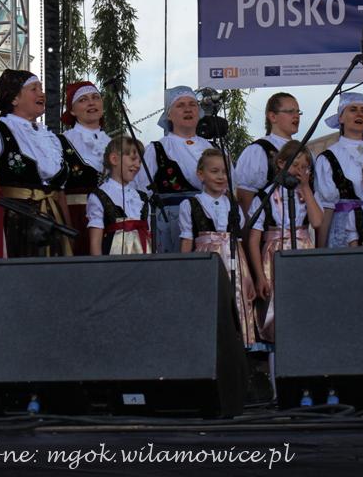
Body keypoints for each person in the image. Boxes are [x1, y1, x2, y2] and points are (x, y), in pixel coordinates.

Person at [0, 69, 72, 257]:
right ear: (14, 99)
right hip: (17, 222)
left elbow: (60, 192)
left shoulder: (50, 138)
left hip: (53, 221)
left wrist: (68, 227)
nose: (42, 94)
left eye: (41, 88)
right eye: (34, 89)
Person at [179, 149, 257, 349]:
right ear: (201, 174)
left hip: (233, 260)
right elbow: (187, 240)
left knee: (235, 299)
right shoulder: (191, 204)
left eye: (224, 172)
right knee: (208, 300)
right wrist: (184, 271)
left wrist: (247, 276)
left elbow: (238, 241)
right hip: (207, 262)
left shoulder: (233, 206)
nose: (221, 176)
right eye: (215, 171)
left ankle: (236, 345)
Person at [247, 141, 322, 343]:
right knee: (275, 305)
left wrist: (305, 187)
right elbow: (253, 240)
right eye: (295, 165)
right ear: (281, 163)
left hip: (302, 251)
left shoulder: (307, 195)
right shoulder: (265, 196)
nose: (299, 170)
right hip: (273, 255)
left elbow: (316, 222)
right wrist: (259, 276)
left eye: (304, 167)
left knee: (302, 301)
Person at [140, 86, 215, 253]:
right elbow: (142, 193)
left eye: (192, 104)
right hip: (170, 226)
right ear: (169, 114)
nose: (188, 109)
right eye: (180, 105)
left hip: (209, 224)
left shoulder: (212, 149)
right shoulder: (157, 149)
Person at [313, 92, 363, 248]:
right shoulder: (328, 158)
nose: (359, 114)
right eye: (353, 109)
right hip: (342, 233)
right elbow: (326, 208)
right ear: (341, 118)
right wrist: (321, 250)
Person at [60, 81, 110, 255]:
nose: (91, 103)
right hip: (78, 216)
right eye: (83, 100)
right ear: (72, 111)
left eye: (96, 97)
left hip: (110, 217)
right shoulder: (62, 142)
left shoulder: (113, 144)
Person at [236, 93, 301, 214]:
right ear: (272, 116)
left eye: (298, 112)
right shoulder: (258, 151)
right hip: (267, 224)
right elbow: (245, 199)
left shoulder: (303, 150)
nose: (296, 116)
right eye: (290, 112)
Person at [87, 136, 151, 255]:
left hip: (143, 261)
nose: (138, 165)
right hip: (114, 262)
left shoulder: (141, 198)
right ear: (114, 159)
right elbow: (95, 243)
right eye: (133, 159)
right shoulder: (100, 196)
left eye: (140, 161)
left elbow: (149, 235)